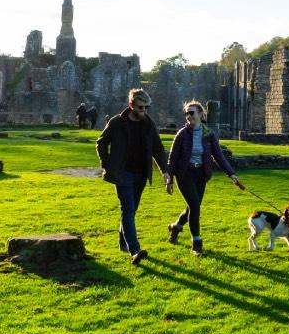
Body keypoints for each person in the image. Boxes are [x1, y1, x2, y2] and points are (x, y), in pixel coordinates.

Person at [96, 88, 167, 265]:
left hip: (141, 173)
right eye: (141, 107)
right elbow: (101, 143)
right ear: (131, 105)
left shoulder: (149, 124)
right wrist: (107, 164)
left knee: (132, 209)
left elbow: (158, 148)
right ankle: (135, 250)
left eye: (147, 107)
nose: (144, 111)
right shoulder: (117, 122)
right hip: (122, 173)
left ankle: (123, 241)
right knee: (127, 209)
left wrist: (165, 171)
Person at [165, 100, 244, 256]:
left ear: (201, 114)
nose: (188, 116)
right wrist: (169, 180)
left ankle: (175, 227)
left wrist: (231, 174)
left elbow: (219, 156)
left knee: (191, 208)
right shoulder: (182, 134)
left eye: (191, 112)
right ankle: (197, 243)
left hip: (201, 175)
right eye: (186, 113)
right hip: (184, 174)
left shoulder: (209, 135)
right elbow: (172, 159)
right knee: (195, 206)